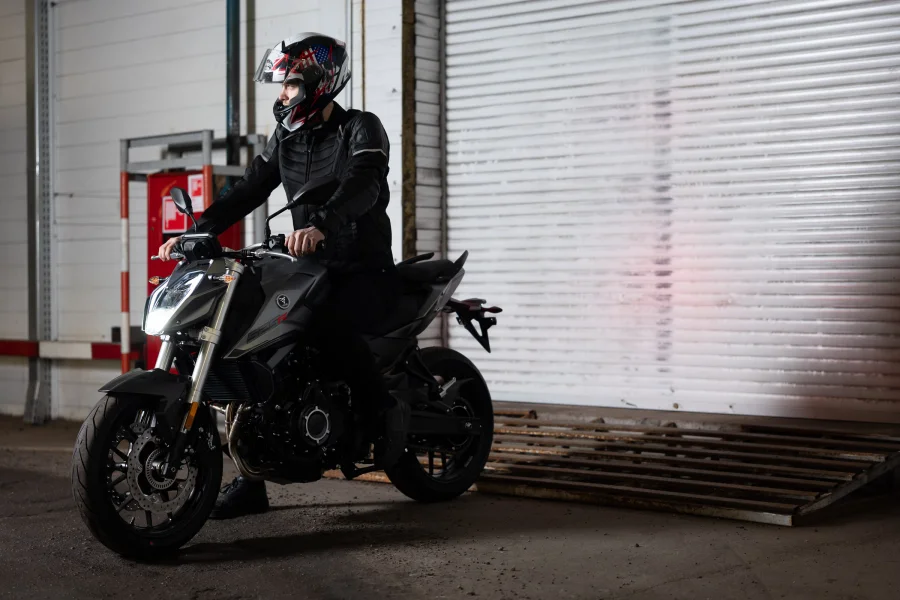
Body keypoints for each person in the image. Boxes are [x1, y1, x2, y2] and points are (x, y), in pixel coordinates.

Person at [157, 33, 409, 519]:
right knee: (255, 344)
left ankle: (381, 414)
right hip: (309, 266)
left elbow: (364, 185)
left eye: (291, 84)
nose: (283, 94)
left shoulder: (361, 128)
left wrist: (323, 225)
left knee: (327, 326)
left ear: (320, 83)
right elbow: (249, 188)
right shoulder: (286, 136)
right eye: (282, 85)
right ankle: (253, 478)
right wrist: (196, 231)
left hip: (362, 267)